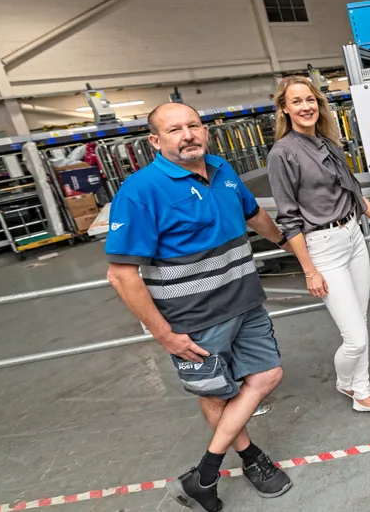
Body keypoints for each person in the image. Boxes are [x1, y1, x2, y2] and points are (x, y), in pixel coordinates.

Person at [105, 102, 292, 512]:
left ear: (205, 131)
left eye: (194, 125)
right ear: (155, 141)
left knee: (268, 374)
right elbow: (121, 275)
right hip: (193, 320)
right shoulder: (140, 191)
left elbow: (254, 213)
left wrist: (286, 241)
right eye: (175, 129)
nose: (188, 134)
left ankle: (204, 475)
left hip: (245, 303)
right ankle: (250, 459)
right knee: (216, 394)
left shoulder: (222, 169)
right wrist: (165, 334)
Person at [266, 76, 370, 414]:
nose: (305, 106)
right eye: (296, 101)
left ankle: (359, 388)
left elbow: (354, 194)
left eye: (310, 99)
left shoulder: (328, 143)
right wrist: (309, 270)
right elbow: (288, 219)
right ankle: (352, 387)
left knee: (359, 318)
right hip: (322, 246)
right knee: (355, 337)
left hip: (353, 237)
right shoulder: (282, 154)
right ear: (284, 109)